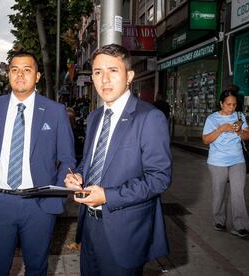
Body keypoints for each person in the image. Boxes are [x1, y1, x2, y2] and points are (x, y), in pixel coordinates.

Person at [64, 44, 172, 276]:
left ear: (129, 76)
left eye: (113, 70)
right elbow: (90, 161)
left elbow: (159, 179)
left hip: (125, 231)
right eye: (97, 72)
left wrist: (108, 196)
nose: (104, 79)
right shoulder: (94, 117)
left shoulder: (150, 117)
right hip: (89, 226)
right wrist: (78, 175)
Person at [0, 51, 76, 275]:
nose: (20, 75)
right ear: (8, 74)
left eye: (27, 70)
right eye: (15, 69)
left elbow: (67, 158)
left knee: (36, 268)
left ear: (37, 76)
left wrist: (52, 201)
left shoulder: (55, 112)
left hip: (39, 206)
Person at [202, 88, 249, 239]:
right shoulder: (212, 119)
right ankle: (219, 220)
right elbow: (205, 140)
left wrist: (239, 132)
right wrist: (221, 129)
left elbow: (248, 135)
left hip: (237, 160)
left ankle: (241, 226)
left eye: (234, 105)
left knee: (238, 192)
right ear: (221, 104)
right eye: (228, 104)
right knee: (219, 193)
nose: (232, 108)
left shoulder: (239, 116)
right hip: (217, 161)